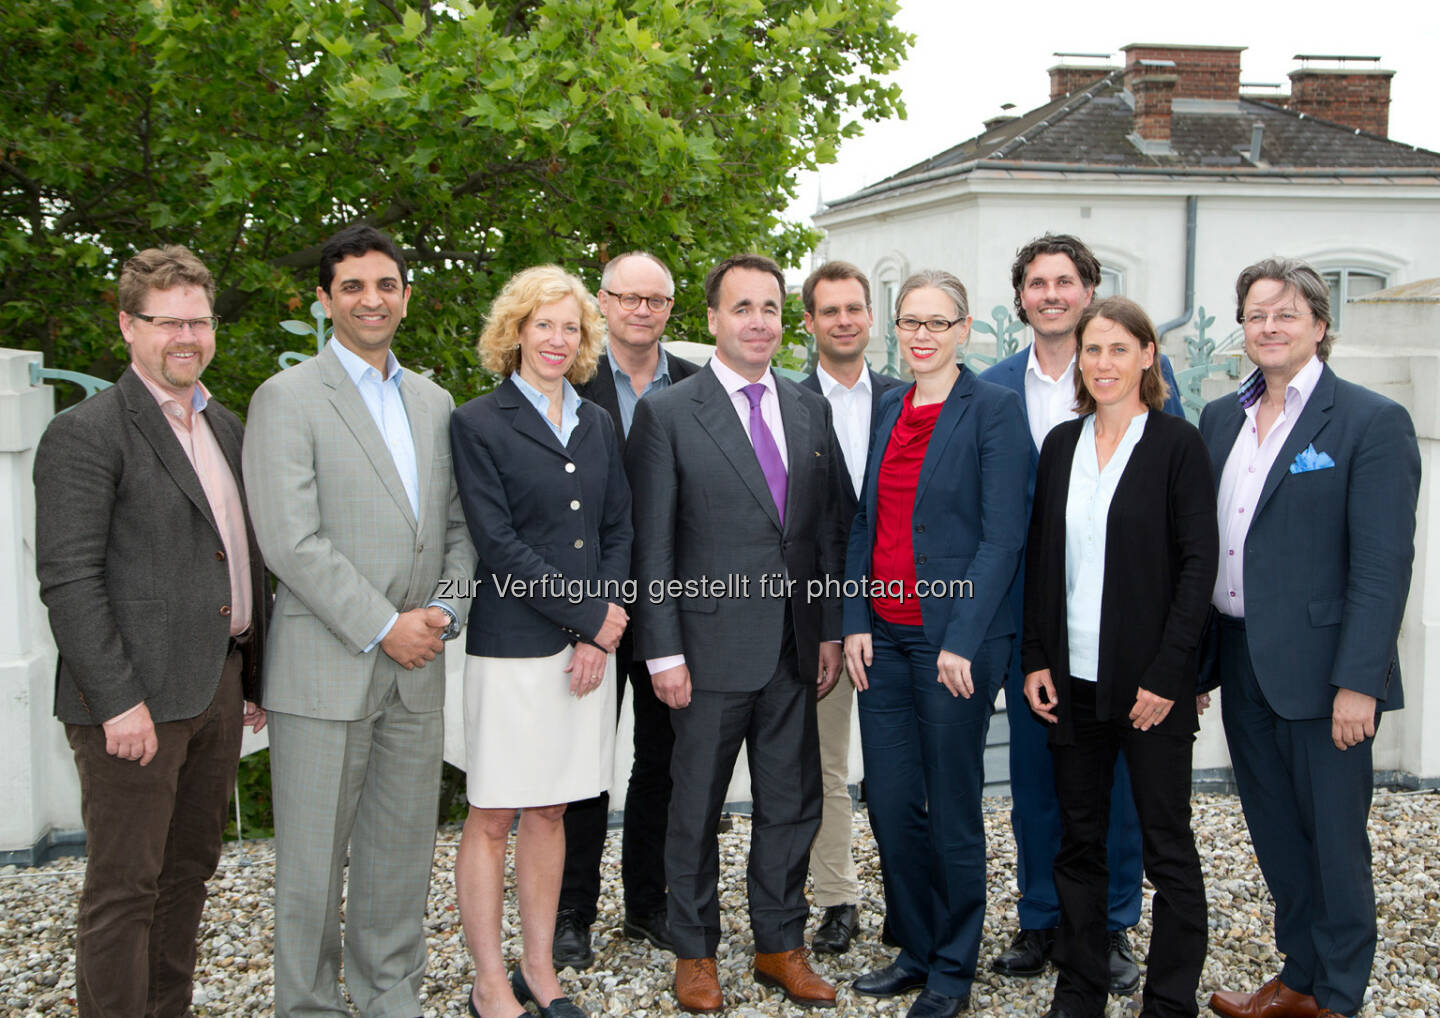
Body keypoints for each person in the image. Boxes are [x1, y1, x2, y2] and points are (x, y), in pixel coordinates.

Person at [243, 225, 475, 1018]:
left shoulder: (434, 401)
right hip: (327, 668)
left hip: (419, 669)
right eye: (352, 287)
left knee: (398, 860)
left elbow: (457, 529)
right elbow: (289, 540)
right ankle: (307, 1007)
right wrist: (384, 624)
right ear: (324, 301)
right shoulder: (288, 399)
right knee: (310, 867)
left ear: (407, 296)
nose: (371, 299)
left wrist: (444, 610)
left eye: (385, 284)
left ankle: (389, 999)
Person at [33, 245, 268, 1018]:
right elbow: (69, 580)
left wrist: (253, 676)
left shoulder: (224, 425)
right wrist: (116, 702)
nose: (186, 337)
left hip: (216, 684)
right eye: (168, 321)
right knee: (123, 889)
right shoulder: (87, 433)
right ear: (128, 326)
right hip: (132, 702)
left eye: (198, 321)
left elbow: (237, 555)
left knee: (187, 874)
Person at [626, 253, 846, 1013]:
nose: (758, 321)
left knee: (792, 805)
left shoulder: (808, 408)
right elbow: (650, 543)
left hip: (793, 648)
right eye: (742, 307)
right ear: (713, 319)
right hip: (705, 651)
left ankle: (779, 946)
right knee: (694, 810)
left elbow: (821, 533)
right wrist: (662, 648)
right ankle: (695, 952)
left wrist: (825, 630)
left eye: (770, 308)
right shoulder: (668, 413)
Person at [1200, 258, 1419, 1018]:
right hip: (1240, 657)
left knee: (1333, 840)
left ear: (1320, 326)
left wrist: (1360, 679)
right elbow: (1210, 548)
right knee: (1274, 833)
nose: (1269, 326)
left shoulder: (1369, 422)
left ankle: (1339, 995)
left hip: (1326, 674)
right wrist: (1198, 665)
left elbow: (1384, 564)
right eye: (1256, 313)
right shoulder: (1221, 417)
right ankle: (1298, 977)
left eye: (1286, 314)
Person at [980, 233, 1186, 991]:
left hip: (1123, 623)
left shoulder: (1132, 375)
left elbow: (1175, 516)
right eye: (1037, 283)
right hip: (1029, 616)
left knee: (1122, 786)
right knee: (1035, 778)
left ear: (1090, 290)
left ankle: (1112, 924)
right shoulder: (994, 386)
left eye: (1066, 282)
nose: (1052, 295)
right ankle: (1043, 919)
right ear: (1022, 298)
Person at [1022, 296, 1217, 1018]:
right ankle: (1080, 988)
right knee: (1079, 842)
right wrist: (1037, 657)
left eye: (1116, 349)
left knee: (1167, 846)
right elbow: (1044, 559)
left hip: (1149, 688)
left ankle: (1169, 1000)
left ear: (1146, 357)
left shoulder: (1177, 445)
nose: (1102, 363)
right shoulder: (1061, 446)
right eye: (1091, 350)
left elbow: (1199, 567)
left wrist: (1171, 673)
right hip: (1070, 681)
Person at [843, 269, 1029, 1018]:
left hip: (953, 642)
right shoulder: (890, 406)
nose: (921, 335)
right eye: (910, 322)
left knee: (952, 804)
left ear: (965, 329)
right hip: (882, 639)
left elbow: (1002, 537)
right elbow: (865, 523)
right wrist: (853, 618)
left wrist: (963, 637)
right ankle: (915, 948)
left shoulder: (994, 410)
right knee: (889, 802)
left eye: (936, 322)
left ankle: (954, 965)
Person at [449, 265, 634, 1018]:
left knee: (554, 809)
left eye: (570, 327)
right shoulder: (478, 422)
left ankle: (538, 969)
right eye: (543, 324)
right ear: (516, 331)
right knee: (494, 814)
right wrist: (588, 618)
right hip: (513, 649)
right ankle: (489, 981)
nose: (557, 340)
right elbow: (496, 543)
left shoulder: (596, 422)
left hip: (584, 654)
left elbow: (617, 526)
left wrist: (601, 628)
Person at [554, 251, 698, 969]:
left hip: (676, 607)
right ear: (601, 303)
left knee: (663, 763)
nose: (642, 311)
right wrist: (586, 607)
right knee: (581, 764)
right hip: (589, 610)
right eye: (627, 298)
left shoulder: (700, 386)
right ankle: (571, 914)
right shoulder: (565, 381)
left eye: (656, 300)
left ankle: (648, 905)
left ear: (672, 309)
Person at [799, 260, 905, 955]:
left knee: (906, 769)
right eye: (828, 310)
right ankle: (836, 899)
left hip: (905, 610)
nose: (843, 320)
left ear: (871, 317)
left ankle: (912, 901)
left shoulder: (909, 398)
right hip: (821, 615)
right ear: (808, 323)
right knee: (825, 765)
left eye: (854, 308)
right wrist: (823, 625)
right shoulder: (784, 402)